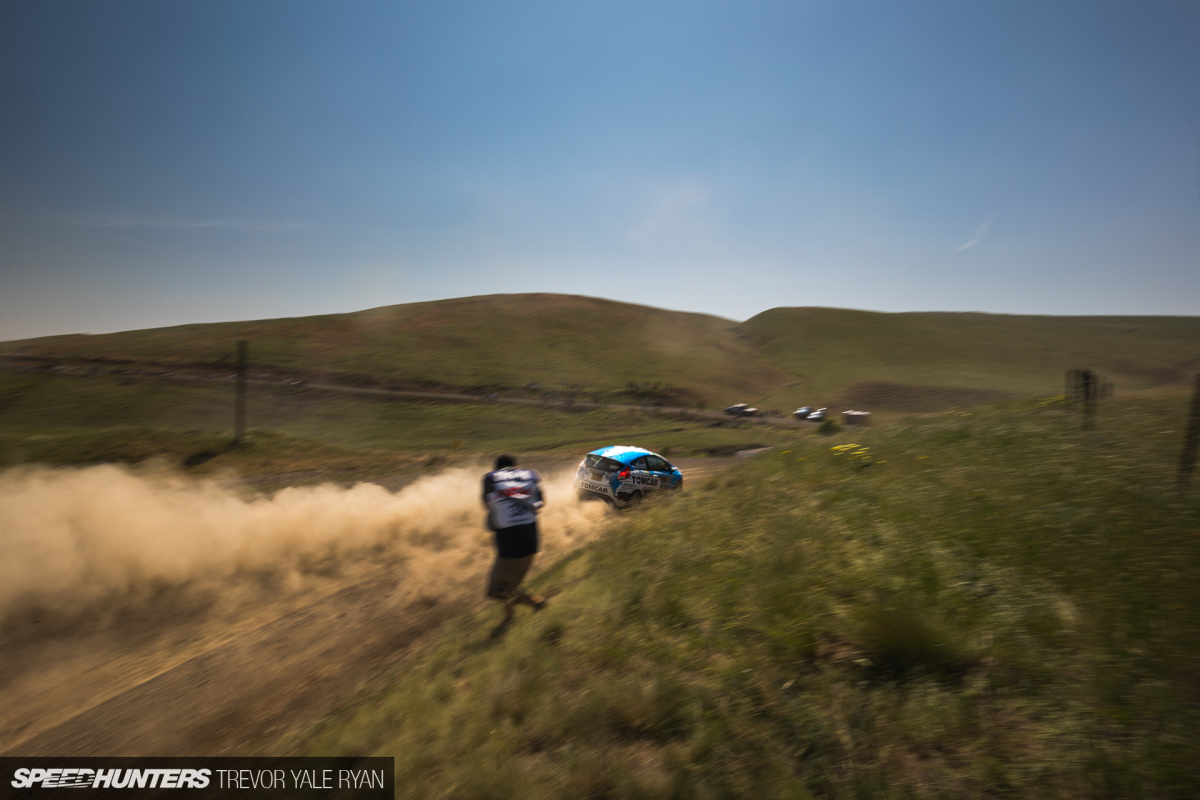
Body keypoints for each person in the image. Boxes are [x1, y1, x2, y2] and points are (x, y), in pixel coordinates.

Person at [482, 454, 547, 623]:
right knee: (510, 586)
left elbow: (486, 505)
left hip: (510, 540)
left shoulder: (490, 478)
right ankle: (509, 618)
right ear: (514, 466)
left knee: (495, 590)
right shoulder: (530, 475)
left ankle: (535, 602)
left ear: (496, 467)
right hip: (531, 538)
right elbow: (541, 502)